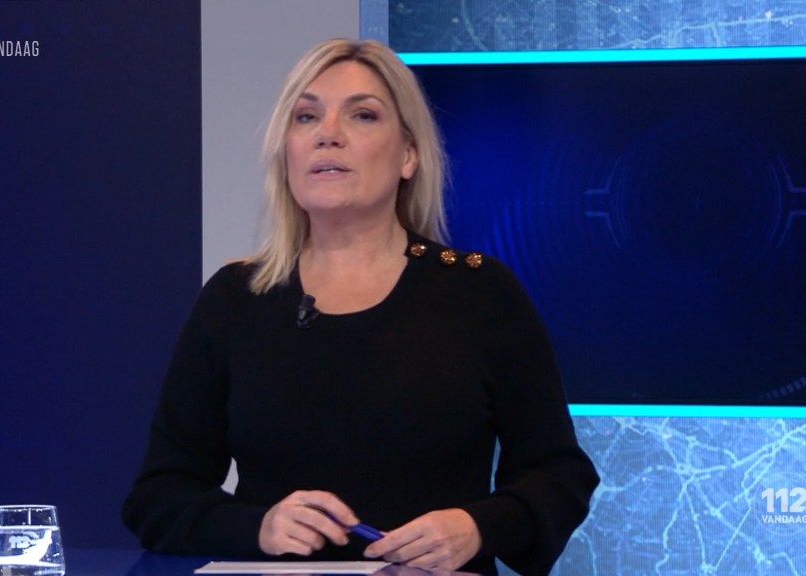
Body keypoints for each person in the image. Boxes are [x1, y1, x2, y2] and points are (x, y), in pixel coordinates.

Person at [122, 38, 599, 576]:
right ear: (287, 152)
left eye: (362, 115)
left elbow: (559, 474)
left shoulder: (480, 293)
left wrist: (476, 527)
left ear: (408, 155)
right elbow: (159, 497)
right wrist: (257, 527)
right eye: (306, 117)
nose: (328, 134)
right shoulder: (235, 299)